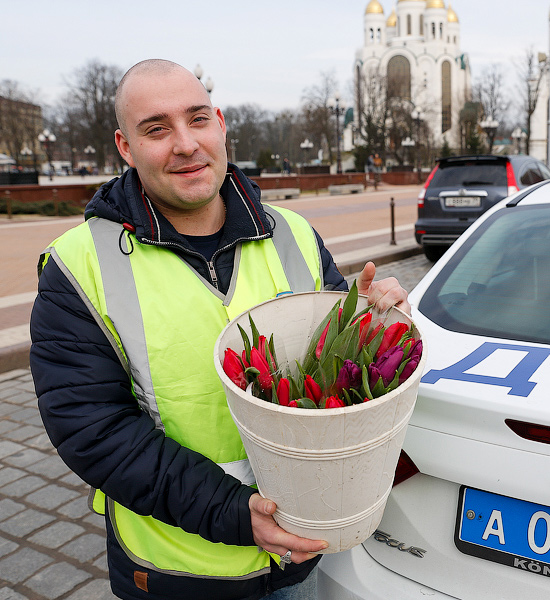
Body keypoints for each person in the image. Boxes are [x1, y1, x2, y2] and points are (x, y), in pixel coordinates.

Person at [29, 59, 409, 600]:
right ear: (125, 146)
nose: (185, 144)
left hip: (296, 558)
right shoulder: (79, 265)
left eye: (197, 118)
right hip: (176, 572)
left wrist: (370, 325)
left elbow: (333, 385)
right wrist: (237, 515)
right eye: (156, 129)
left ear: (221, 124)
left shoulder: (293, 233)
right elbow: (93, 431)